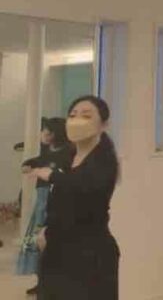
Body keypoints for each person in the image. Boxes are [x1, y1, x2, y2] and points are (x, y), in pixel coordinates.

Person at [30, 96, 120, 300]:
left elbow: (86, 188)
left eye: (86, 116)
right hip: (56, 252)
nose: (77, 120)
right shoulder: (68, 157)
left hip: (90, 255)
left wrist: (52, 176)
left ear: (103, 125)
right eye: (72, 115)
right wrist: (46, 229)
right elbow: (61, 202)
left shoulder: (105, 160)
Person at [17, 117, 73, 296]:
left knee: (50, 241)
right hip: (41, 201)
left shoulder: (68, 152)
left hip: (55, 201)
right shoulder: (47, 150)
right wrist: (28, 164)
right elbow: (38, 160)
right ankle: (41, 282)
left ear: (55, 133)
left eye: (46, 131)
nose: (43, 134)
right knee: (37, 242)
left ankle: (55, 283)